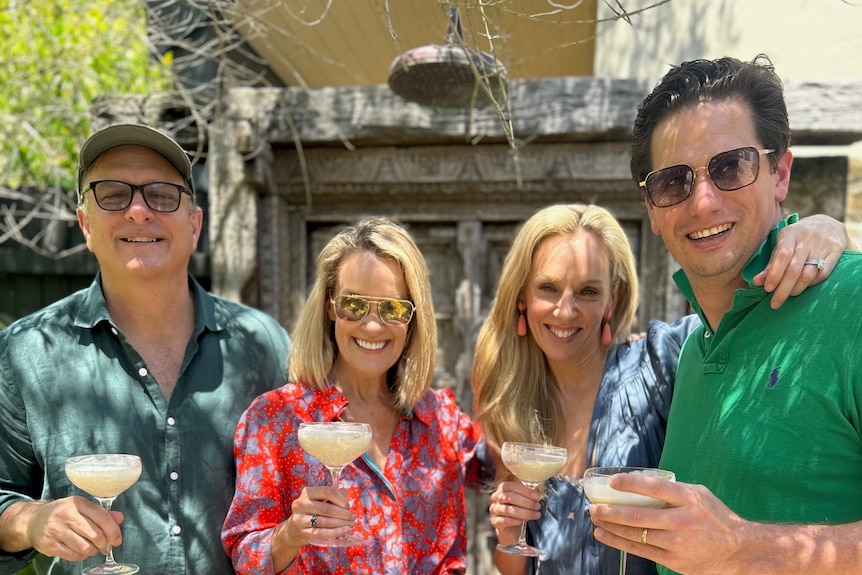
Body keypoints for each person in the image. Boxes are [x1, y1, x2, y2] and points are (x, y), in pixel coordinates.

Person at [587, 55, 862, 575]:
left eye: (730, 166)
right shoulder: (693, 350)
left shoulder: (853, 304)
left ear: (779, 173)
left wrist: (741, 547)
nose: (703, 202)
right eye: (673, 182)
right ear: (652, 209)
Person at [472, 199, 850, 575]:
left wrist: (827, 228)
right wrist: (509, 530)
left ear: (611, 301)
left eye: (588, 291)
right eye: (548, 288)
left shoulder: (660, 359)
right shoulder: (512, 402)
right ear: (522, 298)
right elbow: (515, 567)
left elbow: (740, 321)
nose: (565, 311)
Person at [0, 124, 290, 575]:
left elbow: (301, 491)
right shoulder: (26, 351)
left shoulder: (264, 344)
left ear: (194, 226)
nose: (138, 210)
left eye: (161, 194)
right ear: (85, 225)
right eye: (113, 194)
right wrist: (31, 520)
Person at [221, 217, 491, 575]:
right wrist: (291, 534)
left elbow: (498, 466)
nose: (373, 325)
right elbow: (244, 553)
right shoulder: (275, 418)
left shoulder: (439, 417)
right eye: (355, 304)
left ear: (413, 318)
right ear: (331, 306)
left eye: (393, 308)